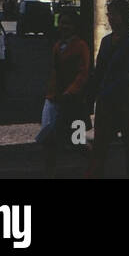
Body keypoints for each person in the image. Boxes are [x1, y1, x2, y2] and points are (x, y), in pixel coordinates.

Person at [87, 0, 129, 177]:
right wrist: (91, 96)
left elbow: (127, 74)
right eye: (109, 14)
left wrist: (108, 91)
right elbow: (99, 71)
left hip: (124, 102)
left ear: (124, 17)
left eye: (115, 14)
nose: (111, 18)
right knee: (100, 146)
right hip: (105, 103)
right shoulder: (105, 42)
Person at [40, 11, 90, 177]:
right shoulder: (57, 45)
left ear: (75, 27)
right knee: (48, 139)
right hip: (54, 98)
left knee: (77, 141)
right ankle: (50, 173)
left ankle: (95, 165)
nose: (64, 27)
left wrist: (71, 92)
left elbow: (83, 73)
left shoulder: (81, 46)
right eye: (62, 23)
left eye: (68, 23)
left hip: (73, 101)